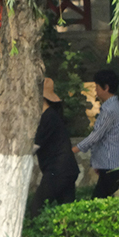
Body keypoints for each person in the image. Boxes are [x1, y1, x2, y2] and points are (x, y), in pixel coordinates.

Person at [72, 69, 119, 199]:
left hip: (111, 164)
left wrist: (74, 149)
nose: (96, 91)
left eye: (97, 87)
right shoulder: (114, 106)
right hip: (109, 164)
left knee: (98, 200)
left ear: (106, 88)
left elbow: (96, 136)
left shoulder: (109, 109)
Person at [31, 78, 79, 217]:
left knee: (36, 208)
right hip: (67, 169)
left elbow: (35, 146)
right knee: (66, 213)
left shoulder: (48, 117)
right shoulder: (52, 115)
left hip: (57, 170)